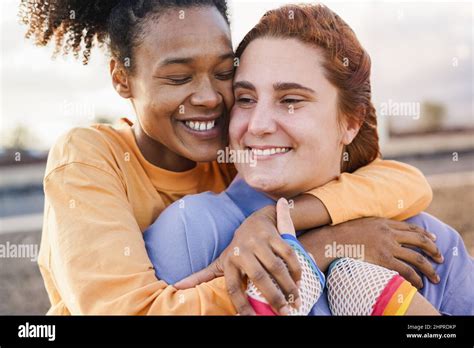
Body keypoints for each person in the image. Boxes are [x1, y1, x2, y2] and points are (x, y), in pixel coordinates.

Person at [21, 0, 438, 315]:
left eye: (223, 74)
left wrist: (275, 219)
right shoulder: (88, 159)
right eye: (178, 77)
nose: (208, 98)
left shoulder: (233, 145)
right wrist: (315, 248)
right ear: (121, 78)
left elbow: (403, 182)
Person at [144, 3, 473, 315]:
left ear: (351, 122)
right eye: (245, 99)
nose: (258, 125)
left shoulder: (424, 238)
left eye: (290, 100)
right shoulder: (192, 230)